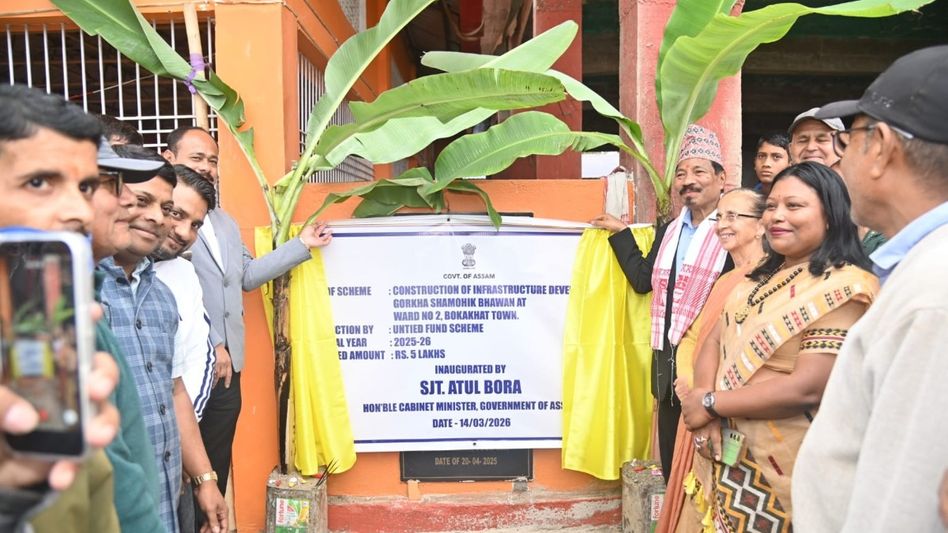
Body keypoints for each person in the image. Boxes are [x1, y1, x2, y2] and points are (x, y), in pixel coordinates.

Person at [793, 45, 948, 532]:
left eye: (850, 138)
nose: (841, 157)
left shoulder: (933, 298)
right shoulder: (921, 271)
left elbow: (905, 504)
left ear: (880, 147)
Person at [676, 162, 877, 531]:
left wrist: (710, 403)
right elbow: (715, 339)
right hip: (727, 458)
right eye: (771, 206)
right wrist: (705, 406)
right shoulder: (756, 279)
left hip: (791, 469)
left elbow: (807, 388)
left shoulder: (844, 287)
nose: (777, 216)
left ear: (831, 215)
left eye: (794, 206)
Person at [162, 126, 331, 520]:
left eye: (213, 161)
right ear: (169, 159)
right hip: (192, 365)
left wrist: (302, 244)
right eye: (196, 158)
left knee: (215, 463)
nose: (207, 167)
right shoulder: (162, 221)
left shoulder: (222, 221)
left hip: (228, 367)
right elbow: (175, 292)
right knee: (182, 468)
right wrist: (214, 343)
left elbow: (248, 276)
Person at [0, 84, 121, 531]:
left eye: (86, 187)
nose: (81, 212)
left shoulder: (60, 322)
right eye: (39, 182)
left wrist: (15, 495)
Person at [591, 124, 732, 481]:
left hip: (713, 367)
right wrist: (622, 234)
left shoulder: (733, 230)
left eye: (699, 171)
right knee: (673, 466)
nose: (688, 181)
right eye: (681, 174)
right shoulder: (669, 231)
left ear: (721, 178)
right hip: (668, 367)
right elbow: (643, 281)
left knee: (712, 465)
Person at [100, 145, 226, 533]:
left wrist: (204, 479)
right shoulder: (72, 293)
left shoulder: (161, 297)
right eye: (143, 202)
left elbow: (173, 391)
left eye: (165, 207)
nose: (158, 218)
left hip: (165, 500)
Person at [656, 188, 767, 533]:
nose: (722, 225)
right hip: (699, 402)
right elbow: (694, 337)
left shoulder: (769, 277)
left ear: (761, 225)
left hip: (733, 412)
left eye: (733, 216)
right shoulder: (725, 281)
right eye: (720, 217)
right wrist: (691, 384)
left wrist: (709, 398)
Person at [151, 164, 218, 533]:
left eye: (195, 225)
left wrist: (186, 454)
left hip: (176, 449)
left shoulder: (182, 275)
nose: (183, 232)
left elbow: (193, 365)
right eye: (176, 214)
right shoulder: (99, 276)